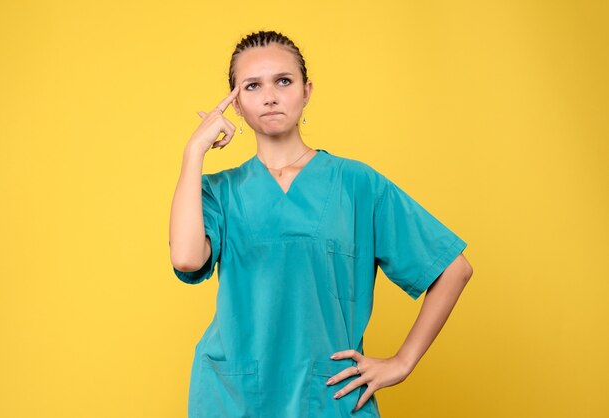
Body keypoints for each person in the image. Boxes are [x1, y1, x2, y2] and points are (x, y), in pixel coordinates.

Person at [169, 30, 473, 418]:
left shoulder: (357, 184)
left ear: (306, 90)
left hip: (329, 396)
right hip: (232, 398)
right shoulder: (218, 191)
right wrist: (193, 151)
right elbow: (186, 258)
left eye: (283, 81)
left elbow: (453, 268)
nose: (270, 96)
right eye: (252, 86)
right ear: (237, 104)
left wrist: (402, 362)